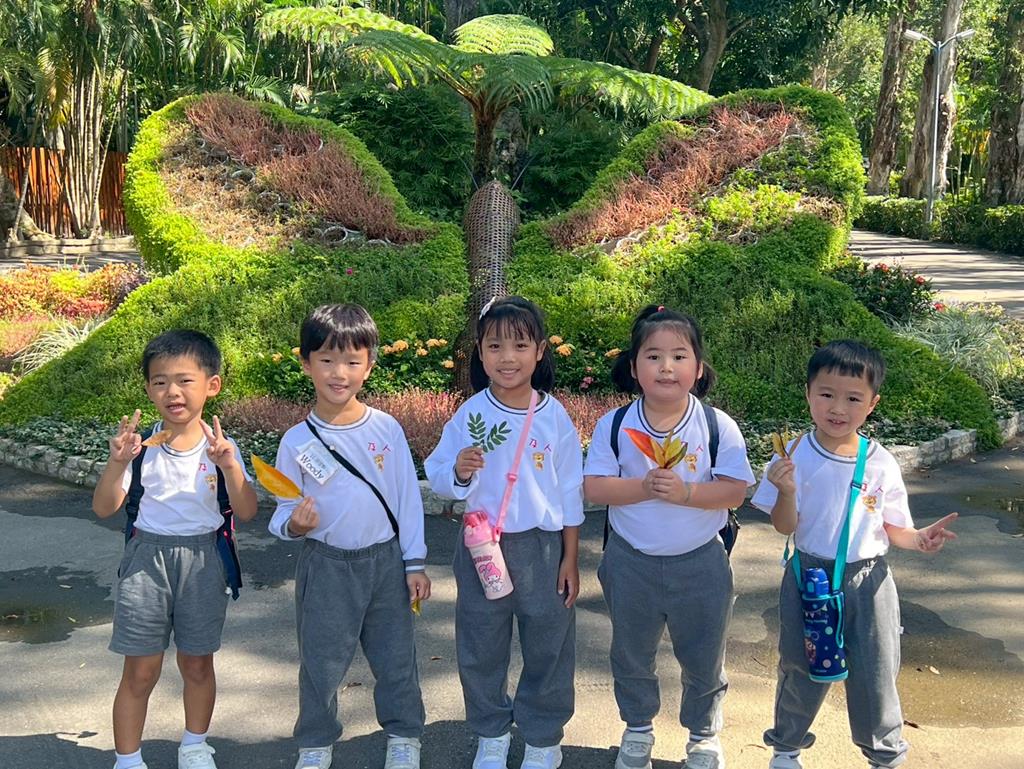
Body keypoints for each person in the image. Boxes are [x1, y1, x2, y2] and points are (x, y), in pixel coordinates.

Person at [751, 340, 957, 769]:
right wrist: (785, 490)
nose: (837, 408)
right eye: (826, 394)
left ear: (872, 404)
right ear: (808, 393)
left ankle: (885, 755)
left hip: (869, 580)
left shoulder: (880, 462)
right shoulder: (791, 456)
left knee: (875, 671)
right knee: (800, 666)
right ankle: (786, 748)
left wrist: (920, 539)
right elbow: (784, 527)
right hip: (808, 577)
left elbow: (894, 529)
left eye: (853, 398)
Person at [584, 305, 754, 769]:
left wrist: (686, 493)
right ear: (633, 367)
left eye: (679, 356)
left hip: (700, 563)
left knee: (703, 658)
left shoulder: (717, 426)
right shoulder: (615, 425)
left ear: (698, 368)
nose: (666, 367)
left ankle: (703, 735)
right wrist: (643, 487)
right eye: (653, 356)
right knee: (631, 655)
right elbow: (595, 487)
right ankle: (637, 728)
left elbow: (734, 492)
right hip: (630, 562)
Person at [267, 304, 429, 769]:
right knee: (320, 663)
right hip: (326, 565)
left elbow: (406, 498)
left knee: (396, 659)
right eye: (326, 360)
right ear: (306, 362)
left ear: (369, 366)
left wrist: (414, 562)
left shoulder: (386, 428)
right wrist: (295, 526)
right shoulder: (297, 440)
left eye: (352, 361)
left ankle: (404, 736)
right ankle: (315, 743)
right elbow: (282, 511)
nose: (339, 373)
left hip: (385, 562)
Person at [424, 296, 584, 769]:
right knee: (480, 644)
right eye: (495, 346)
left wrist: (570, 558)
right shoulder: (470, 414)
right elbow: (438, 473)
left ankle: (542, 738)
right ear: (480, 351)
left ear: (540, 351)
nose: (507, 357)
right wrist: (459, 470)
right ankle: (491, 733)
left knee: (548, 645)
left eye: (520, 345)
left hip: (543, 549)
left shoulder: (553, 416)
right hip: (482, 547)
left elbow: (570, 491)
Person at [93, 329, 258, 769]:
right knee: (140, 670)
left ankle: (195, 746)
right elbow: (105, 507)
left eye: (185, 380)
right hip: (146, 562)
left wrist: (230, 466)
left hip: (204, 561)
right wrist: (117, 462)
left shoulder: (222, 448)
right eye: (160, 381)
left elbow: (246, 510)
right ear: (149, 389)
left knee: (198, 664)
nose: (173, 391)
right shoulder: (140, 449)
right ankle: (128, 759)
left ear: (211, 385)